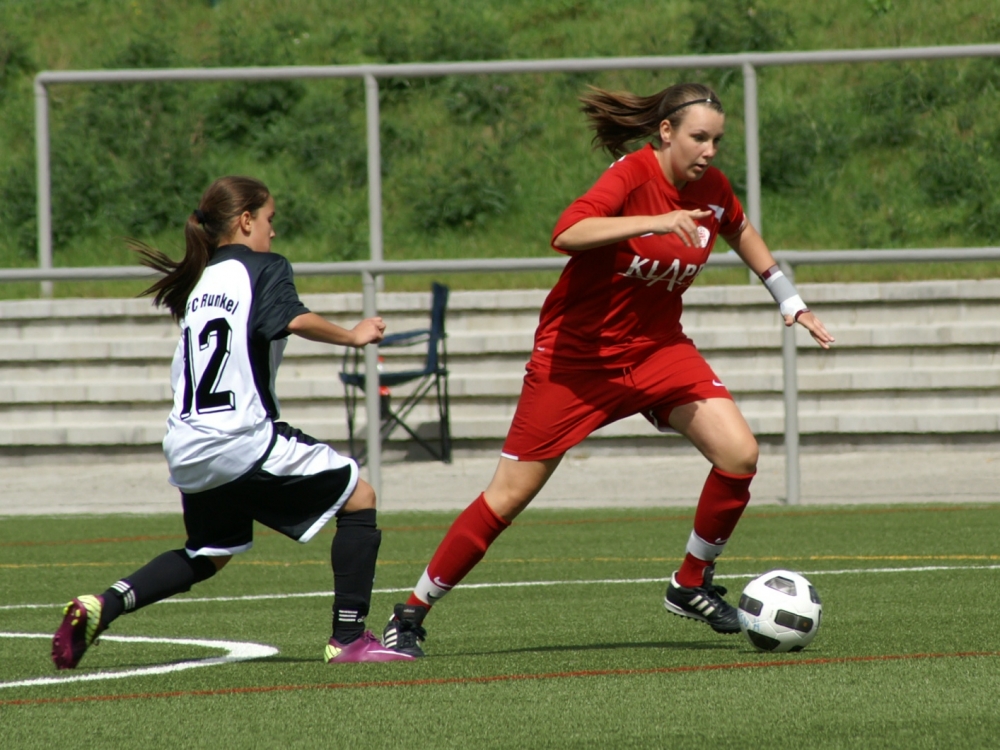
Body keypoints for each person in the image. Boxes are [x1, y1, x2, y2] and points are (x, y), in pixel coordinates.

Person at [380, 83, 835, 657]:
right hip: (577, 361)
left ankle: (690, 583)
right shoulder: (630, 176)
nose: (710, 151)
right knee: (508, 497)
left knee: (739, 454)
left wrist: (789, 299)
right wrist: (651, 222)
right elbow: (566, 232)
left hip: (658, 351)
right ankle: (410, 614)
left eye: (717, 140)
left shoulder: (712, 189)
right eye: (699, 137)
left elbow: (738, 228)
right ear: (666, 132)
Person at [52, 175, 413, 668]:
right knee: (360, 497)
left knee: (210, 552)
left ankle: (104, 605)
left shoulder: (198, 282)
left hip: (188, 447)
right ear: (245, 221)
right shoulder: (265, 266)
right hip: (239, 439)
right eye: (269, 219)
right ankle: (348, 639)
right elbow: (292, 318)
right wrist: (354, 335)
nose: (273, 232)